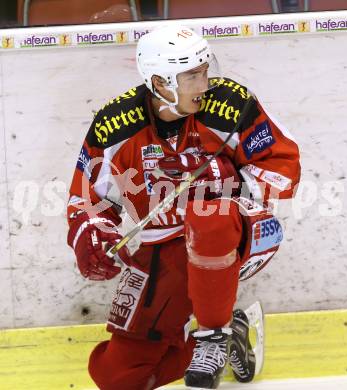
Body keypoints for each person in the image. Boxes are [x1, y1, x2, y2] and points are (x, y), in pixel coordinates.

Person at [67, 25, 301, 390]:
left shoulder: (230, 104)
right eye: (192, 75)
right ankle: (233, 336)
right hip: (164, 247)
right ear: (160, 82)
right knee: (118, 377)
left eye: (205, 70)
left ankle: (212, 336)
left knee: (208, 218)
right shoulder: (115, 126)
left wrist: (236, 190)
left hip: (239, 232)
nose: (205, 84)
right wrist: (94, 237)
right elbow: (88, 200)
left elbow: (282, 162)